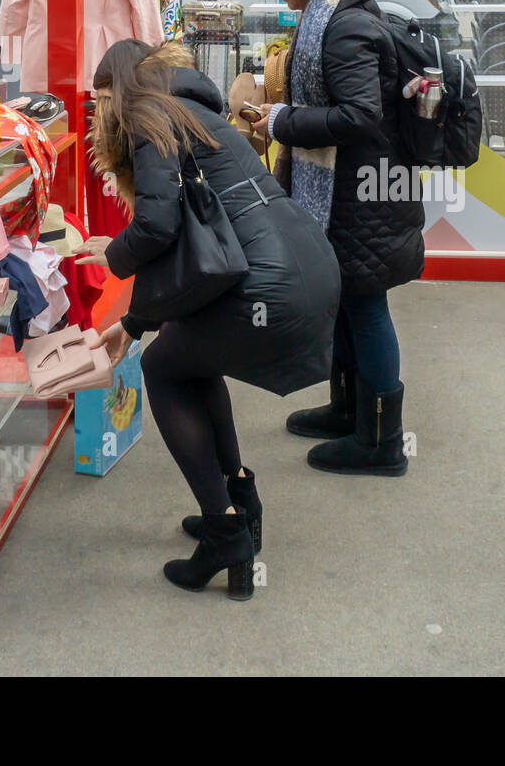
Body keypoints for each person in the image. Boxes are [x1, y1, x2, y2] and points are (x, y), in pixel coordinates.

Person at [81, 39, 341, 598]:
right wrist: (135, 319)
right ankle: (238, 502)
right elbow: (191, 233)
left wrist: (112, 261)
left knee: (164, 369)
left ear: (120, 91)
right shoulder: (191, 109)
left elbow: (158, 226)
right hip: (307, 264)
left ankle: (225, 531)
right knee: (191, 358)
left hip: (269, 284)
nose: (98, 113)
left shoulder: (150, 119)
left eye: (101, 99)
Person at [249, 0, 424, 476]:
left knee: (367, 306)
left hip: (362, 193)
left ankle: (381, 442)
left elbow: (359, 114)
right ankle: (349, 410)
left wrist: (281, 120)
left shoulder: (344, 25)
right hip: (349, 188)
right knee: (347, 301)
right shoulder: (331, 12)